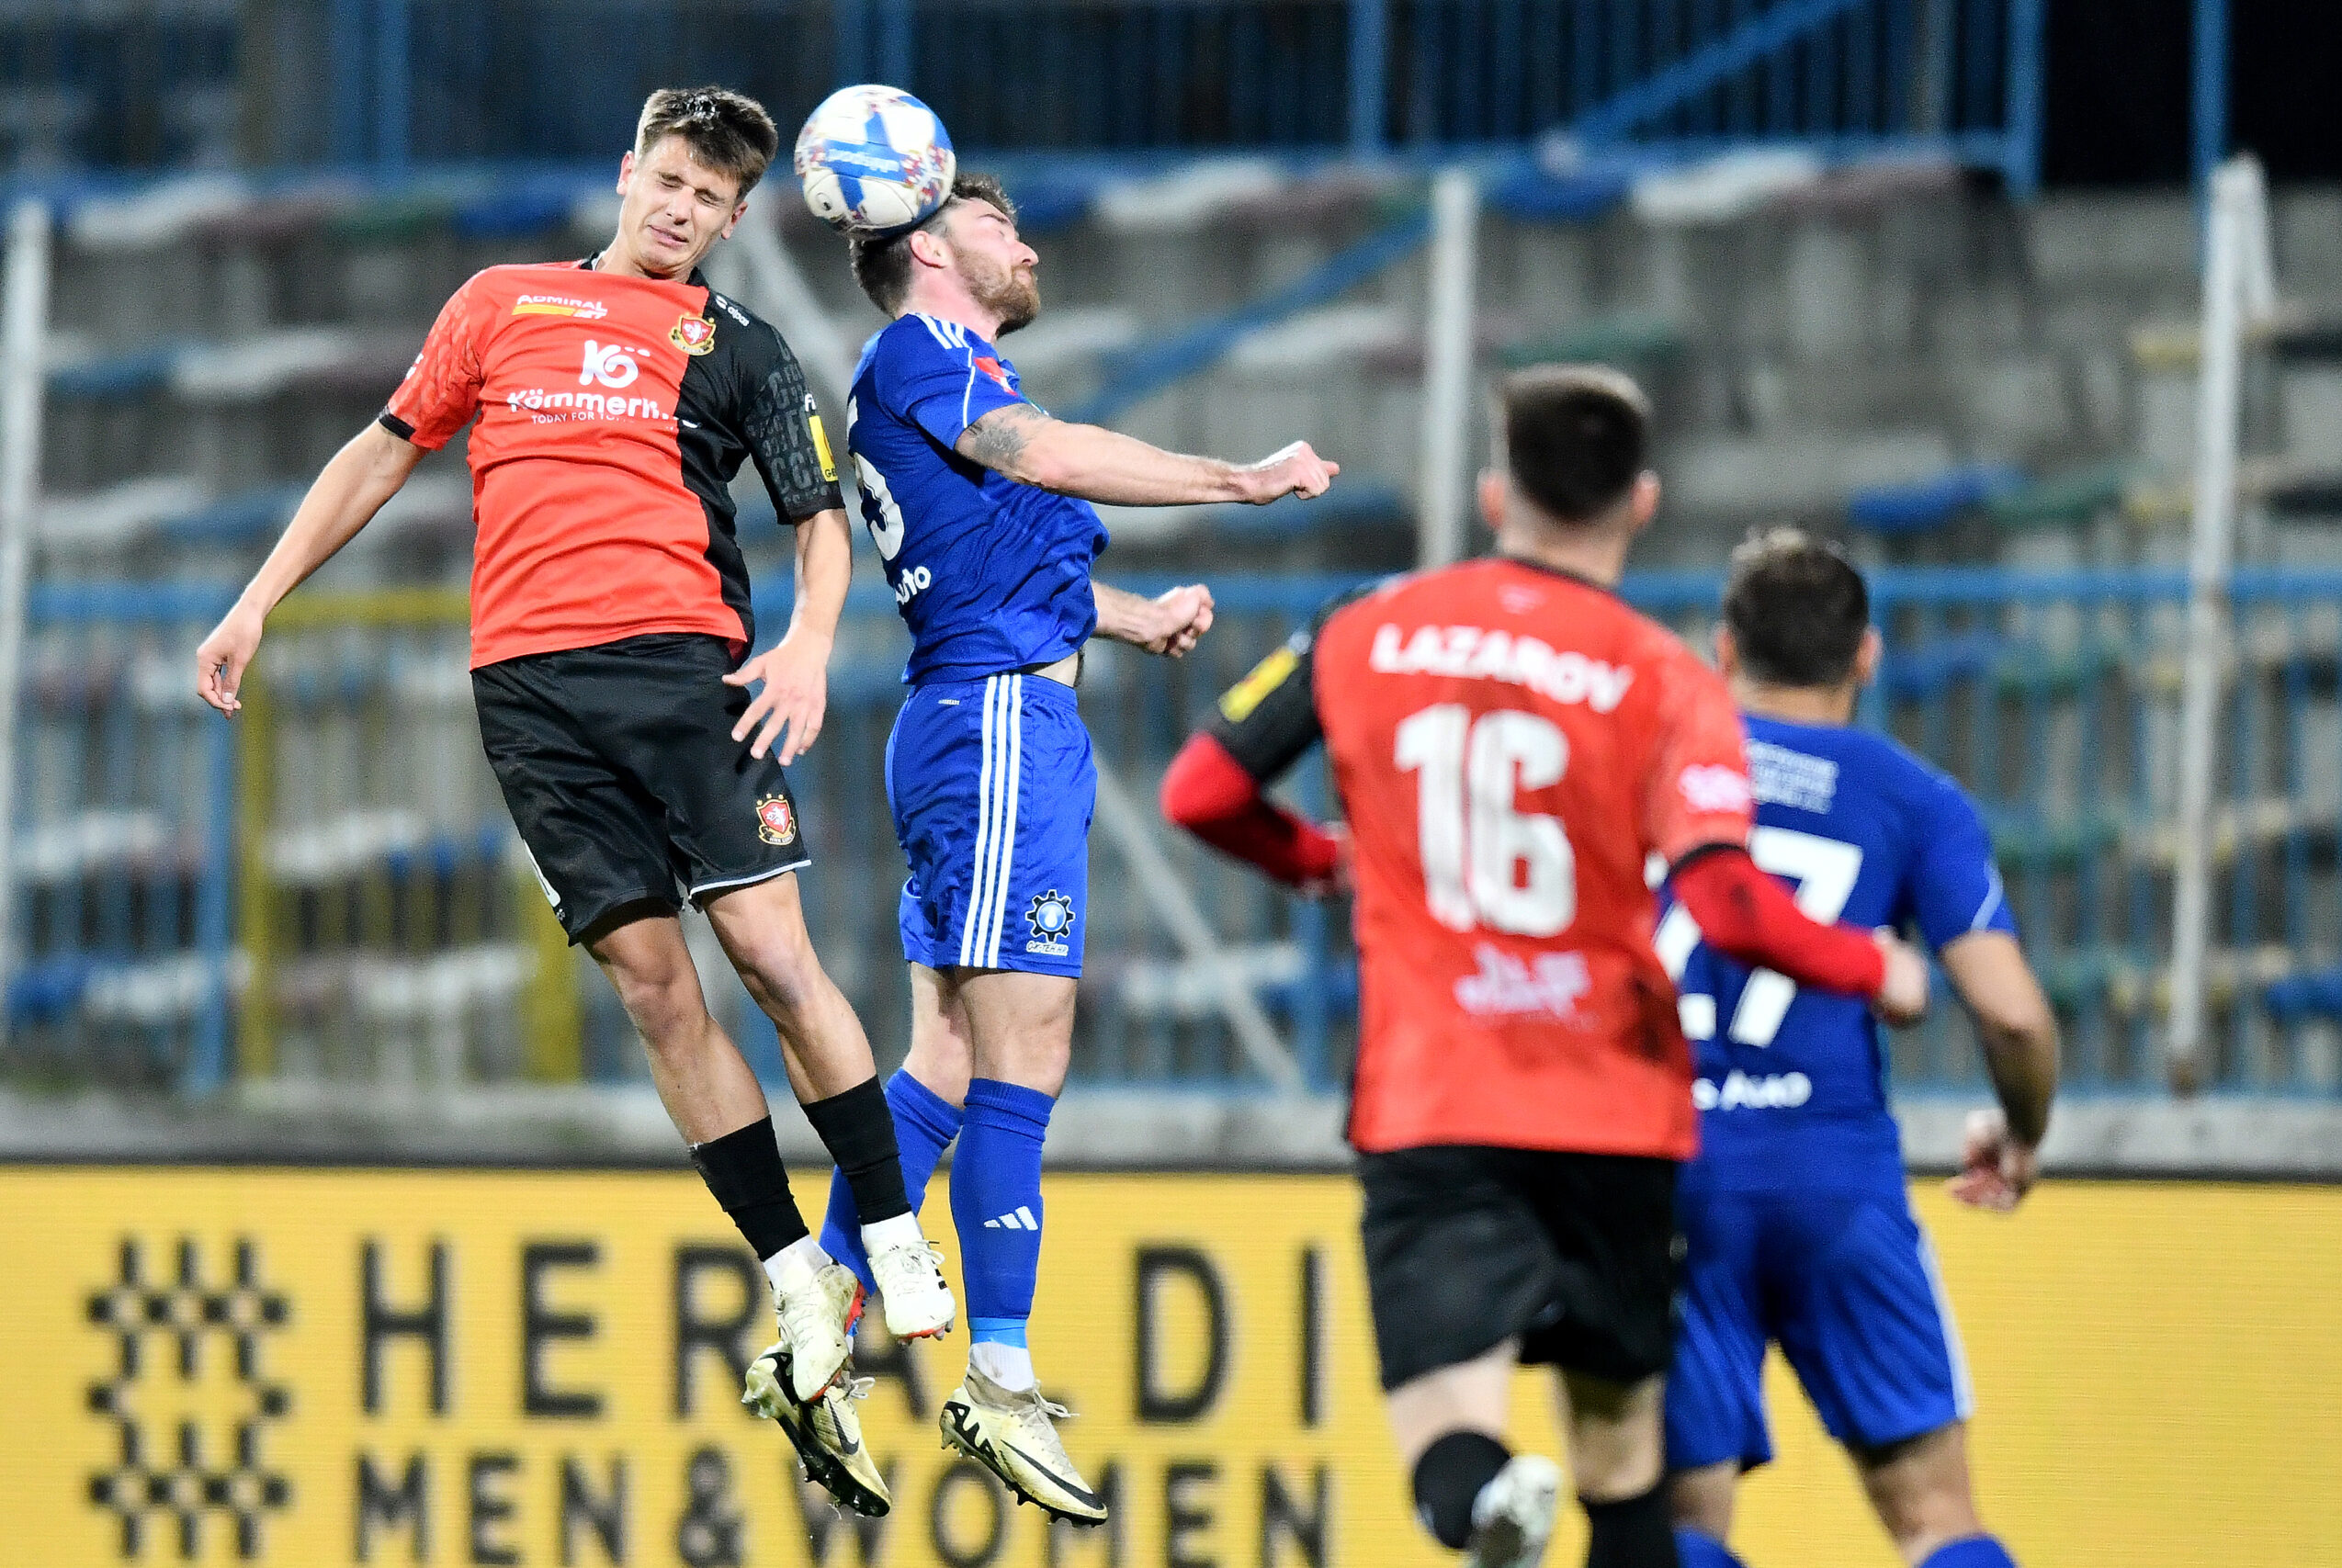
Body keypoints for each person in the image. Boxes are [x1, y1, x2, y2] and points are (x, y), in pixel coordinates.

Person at [191, 85, 949, 1517]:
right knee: (656, 991)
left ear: (733, 221)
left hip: (690, 680)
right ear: (628, 173)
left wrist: (804, 641)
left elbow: (817, 519)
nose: (678, 207)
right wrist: (256, 601)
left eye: (709, 198)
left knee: (777, 959)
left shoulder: (740, 346)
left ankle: (895, 1230)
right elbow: (382, 445)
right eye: (665, 179)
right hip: (530, 698)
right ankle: (797, 1273)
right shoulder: (500, 302)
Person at [1160, 366, 1931, 1568]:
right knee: (1624, 1463)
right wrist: (1873, 967)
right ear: (1642, 501)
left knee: (1447, 1425)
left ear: (1490, 491)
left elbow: (1200, 790)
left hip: (1436, 1096)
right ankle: (1547, 1508)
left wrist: (1321, 860)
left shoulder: (1369, 625)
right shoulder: (1669, 674)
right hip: (1615, 1106)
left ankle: (1482, 1501)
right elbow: (1727, 899)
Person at [808, 172, 1339, 1523]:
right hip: (993, 728)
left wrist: (1125, 613)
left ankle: (818, 1325)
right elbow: (1043, 455)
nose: (1028, 243)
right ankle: (996, 1369)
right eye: (999, 224)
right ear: (928, 246)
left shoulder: (943, 369)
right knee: (1026, 1046)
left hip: (990, 713)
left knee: (945, 1052)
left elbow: (993, 562)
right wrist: (1241, 479)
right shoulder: (925, 355)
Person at [1656, 529, 2057, 1568]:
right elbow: (2011, 1014)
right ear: (1865, 657)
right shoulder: (1913, 798)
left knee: (1679, 1529)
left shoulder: (1657, 770)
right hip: (1834, 1180)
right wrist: (2018, 1132)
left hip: (1669, 1173)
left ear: (1721, 651)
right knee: (1934, 1521)